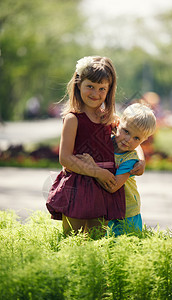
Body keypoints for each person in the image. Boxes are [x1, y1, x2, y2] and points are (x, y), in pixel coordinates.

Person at [46, 56, 145, 235]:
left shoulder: (110, 119)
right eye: (90, 86)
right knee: (73, 238)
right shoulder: (73, 119)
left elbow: (132, 141)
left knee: (98, 239)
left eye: (102, 89)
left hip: (104, 189)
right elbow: (65, 158)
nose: (95, 93)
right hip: (78, 185)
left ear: (109, 90)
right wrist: (96, 172)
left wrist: (142, 159)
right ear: (78, 84)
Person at [79, 102, 156, 236]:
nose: (128, 139)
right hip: (106, 209)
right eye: (126, 131)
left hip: (126, 213)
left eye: (136, 138)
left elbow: (113, 186)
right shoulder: (106, 141)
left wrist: (92, 168)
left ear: (143, 140)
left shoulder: (130, 160)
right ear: (118, 124)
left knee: (124, 247)